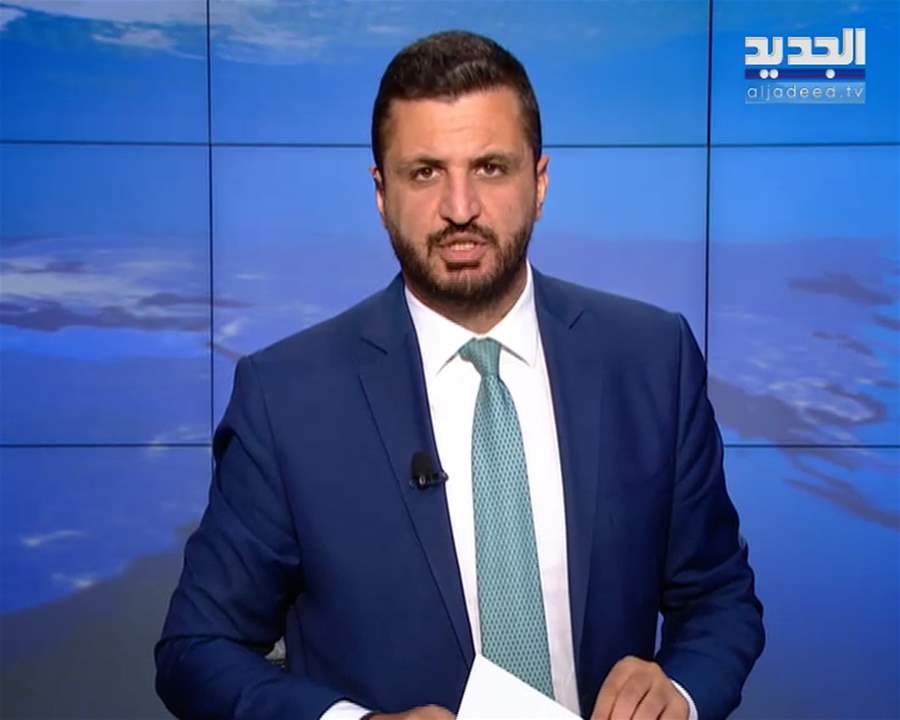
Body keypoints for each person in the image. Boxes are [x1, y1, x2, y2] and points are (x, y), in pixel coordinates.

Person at [155, 30, 764, 720]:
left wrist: (679, 692)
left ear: (540, 181)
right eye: (425, 173)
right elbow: (196, 650)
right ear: (380, 193)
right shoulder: (287, 398)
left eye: (491, 168)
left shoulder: (652, 359)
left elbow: (719, 598)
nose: (460, 208)